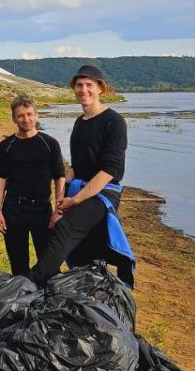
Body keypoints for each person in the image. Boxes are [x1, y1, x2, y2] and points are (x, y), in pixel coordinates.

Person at [32, 65, 135, 286]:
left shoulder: (114, 122)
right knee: (87, 248)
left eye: (90, 85)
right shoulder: (80, 122)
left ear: (100, 88)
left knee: (65, 228)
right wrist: (62, 199)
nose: (84, 90)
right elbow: (76, 167)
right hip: (79, 189)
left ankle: (35, 281)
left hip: (102, 193)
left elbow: (109, 171)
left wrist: (75, 201)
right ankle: (82, 289)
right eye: (79, 85)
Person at [0, 94, 66, 280]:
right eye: (20, 116)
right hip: (13, 208)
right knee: (18, 262)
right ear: (14, 118)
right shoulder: (6, 145)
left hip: (41, 208)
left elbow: (60, 177)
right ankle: (22, 299)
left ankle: (49, 299)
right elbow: (0, 178)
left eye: (29, 114)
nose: (26, 119)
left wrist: (58, 210)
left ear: (36, 115)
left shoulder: (50, 144)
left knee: (48, 260)